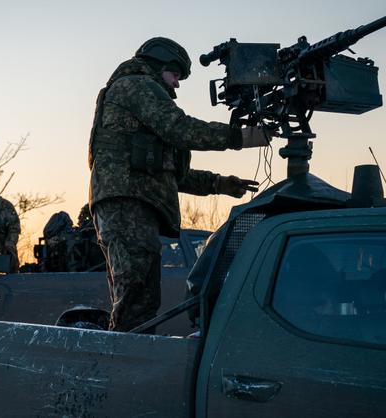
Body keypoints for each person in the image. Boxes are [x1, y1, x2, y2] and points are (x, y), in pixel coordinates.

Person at [88, 37, 274, 332]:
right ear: (161, 64)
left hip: (132, 205)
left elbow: (173, 174)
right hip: (127, 206)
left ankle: (132, 362)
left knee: (143, 300)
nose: (176, 85)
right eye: (176, 76)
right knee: (135, 300)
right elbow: (181, 129)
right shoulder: (135, 85)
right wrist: (240, 137)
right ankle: (124, 369)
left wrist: (220, 184)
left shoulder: (142, 107)